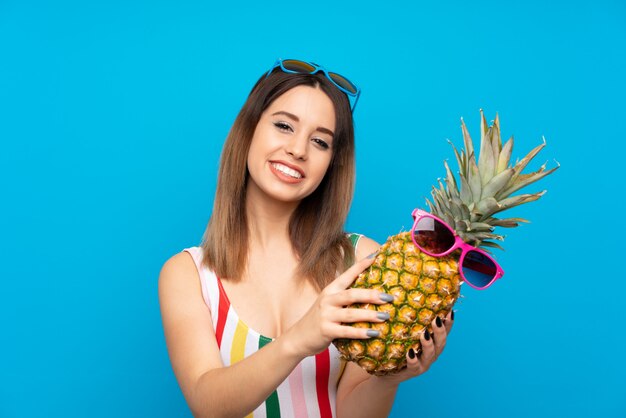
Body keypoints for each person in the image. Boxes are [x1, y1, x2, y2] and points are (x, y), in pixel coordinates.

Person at [158, 59, 454, 418]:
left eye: (320, 141)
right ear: (249, 129)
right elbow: (208, 405)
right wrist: (300, 339)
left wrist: (388, 378)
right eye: (284, 125)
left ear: (332, 162)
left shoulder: (360, 262)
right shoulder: (188, 274)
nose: (298, 150)